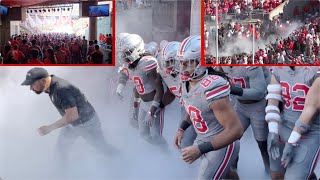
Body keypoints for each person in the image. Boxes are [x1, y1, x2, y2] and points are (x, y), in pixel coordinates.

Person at [174, 35, 243, 179]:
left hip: (223, 143)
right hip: (204, 138)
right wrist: (182, 128)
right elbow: (194, 107)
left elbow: (236, 130)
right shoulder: (187, 81)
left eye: (187, 63)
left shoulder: (213, 85)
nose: (182, 67)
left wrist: (200, 149)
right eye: (181, 63)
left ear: (201, 62)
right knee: (226, 175)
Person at [21, 67, 118, 162]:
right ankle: (60, 174)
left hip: (86, 124)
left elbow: (72, 116)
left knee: (103, 148)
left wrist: (49, 128)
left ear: (42, 80)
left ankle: (123, 162)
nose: (30, 88)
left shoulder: (59, 90)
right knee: (61, 150)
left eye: (32, 84)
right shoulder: (52, 83)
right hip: (75, 123)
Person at [266, 66, 319, 180]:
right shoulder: (278, 68)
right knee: (276, 175)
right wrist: (273, 130)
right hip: (284, 125)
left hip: (310, 131)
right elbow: (273, 100)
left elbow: (311, 108)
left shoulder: (315, 70)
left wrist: (292, 142)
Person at [119, 34, 167, 149]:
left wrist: (152, 111)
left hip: (154, 104)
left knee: (156, 135)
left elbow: (159, 91)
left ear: (137, 49)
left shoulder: (147, 62)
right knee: (143, 134)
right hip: (143, 105)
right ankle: (156, 151)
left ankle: (166, 153)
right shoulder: (132, 65)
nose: (125, 56)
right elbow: (137, 88)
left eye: (128, 52)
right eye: (123, 52)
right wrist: (136, 107)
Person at [221, 66, 270, 174]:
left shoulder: (250, 64)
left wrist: (232, 89)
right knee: (232, 140)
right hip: (240, 105)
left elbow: (258, 92)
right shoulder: (222, 62)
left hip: (258, 106)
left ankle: (269, 171)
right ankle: (233, 170)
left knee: (262, 144)